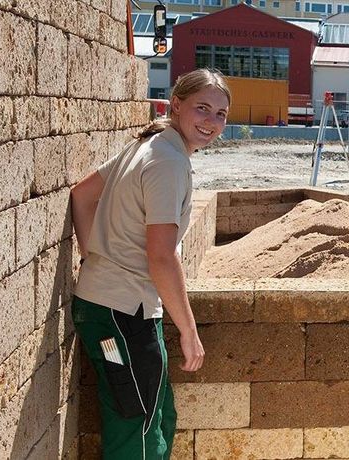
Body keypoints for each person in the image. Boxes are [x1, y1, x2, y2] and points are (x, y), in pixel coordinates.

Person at [70, 68, 230, 458]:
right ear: (177, 105)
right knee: (138, 429)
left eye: (221, 114)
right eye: (202, 108)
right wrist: (189, 332)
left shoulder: (153, 144)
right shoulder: (168, 161)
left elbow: (82, 195)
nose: (211, 122)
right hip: (121, 313)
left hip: (120, 307)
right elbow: (161, 256)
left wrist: (97, 257)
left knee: (156, 418)